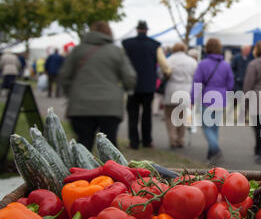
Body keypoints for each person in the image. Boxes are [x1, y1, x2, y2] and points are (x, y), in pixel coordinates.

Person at [59, 21, 136, 151]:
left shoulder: (78, 50)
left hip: (80, 104)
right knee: (110, 148)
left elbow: (64, 75)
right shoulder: (116, 52)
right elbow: (129, 77)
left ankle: (82, 170)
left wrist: (71, 92)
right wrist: (124, 90)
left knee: (83, 146)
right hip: (109, 105)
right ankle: (111, 171)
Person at [122, 20, 171, 149]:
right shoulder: (154, 45)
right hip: (148, 85)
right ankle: (147, 141)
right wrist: (168, 73)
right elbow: (164, 64)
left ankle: (133, 142)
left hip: (132, 85)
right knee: (146, 114)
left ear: (137, 29)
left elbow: (122, 62)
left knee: (133, 114)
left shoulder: (127, 44)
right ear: (147, 30)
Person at [191, 38, 234, 164]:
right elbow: (230, 83)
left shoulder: (203, 64)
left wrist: (193, 98)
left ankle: (215, 149)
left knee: (206, 127)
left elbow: (197, 83)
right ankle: (210, 156)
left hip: (207, 98)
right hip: (221, 98)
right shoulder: (226, 65)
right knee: (214, 127)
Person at [164, 42, 197, 149]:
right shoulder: (192, 61)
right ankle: (181, 139)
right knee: (182, 117)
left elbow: (161, 74)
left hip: (171, 89)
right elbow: (195, 76)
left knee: (169, 116)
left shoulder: (169, 60)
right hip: (186, 90)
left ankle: (172, 138)